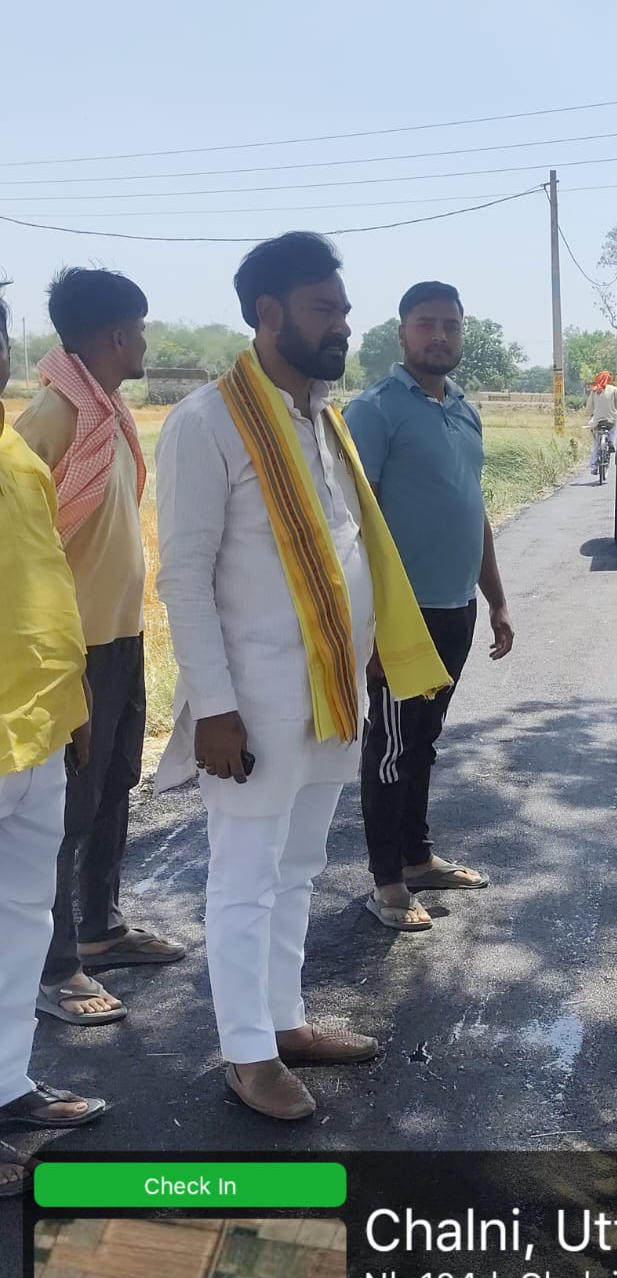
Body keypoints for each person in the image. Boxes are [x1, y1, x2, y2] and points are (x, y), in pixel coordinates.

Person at [154, 235, 449, 1120]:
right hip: (251, 704)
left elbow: (347, 548)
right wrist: (215, 707)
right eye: (325, 310)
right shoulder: (206, 422)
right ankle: (247, 1053)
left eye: (344, 310)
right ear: (268, 313)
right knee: (245, 876)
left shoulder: (324, 419)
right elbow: (184, 578)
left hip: (330, 692)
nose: (342, 326)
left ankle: (283, 1020)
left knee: (299, 866)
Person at [16, 268, 184, 1029]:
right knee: (62, 811)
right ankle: (54, 968)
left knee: (115, 784)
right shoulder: (54, 417)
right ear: (118, 335)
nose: (145, 343)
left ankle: (101, 928)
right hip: (71, 653)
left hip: (120, 637)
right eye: (140, 331)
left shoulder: (105, 411)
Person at [344, 281, 515, 933]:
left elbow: (474, 511)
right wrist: (371, 623)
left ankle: (416, 859)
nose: (439, 336)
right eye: (425, 323)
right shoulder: (375, 411)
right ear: (402, 333)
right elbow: (355, 523)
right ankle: (387, 882)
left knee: (423, 741)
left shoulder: (465, 410)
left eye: (450, 325)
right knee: (391, 746)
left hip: (455, 608)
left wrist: (496, 600)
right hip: (400, 615)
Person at [0, 283, 105, 1196]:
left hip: (36, 724)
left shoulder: (14, 452)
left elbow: (44, 588)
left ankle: (7, 1088)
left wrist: (72, 700)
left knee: (22, 921)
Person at [585, 369, 617, 475]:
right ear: (609, 379)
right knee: (614, 429)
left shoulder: (595, 390)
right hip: (611, 419)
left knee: (596, 443)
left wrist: (589, 413)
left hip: (598, 420)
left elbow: (589, 406)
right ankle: (611, 441)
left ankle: (594, 466)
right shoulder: (614, 389)